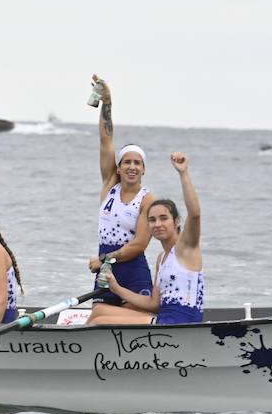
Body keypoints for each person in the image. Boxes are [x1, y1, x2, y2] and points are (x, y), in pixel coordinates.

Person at [89, 153, 203, 325]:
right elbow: (153, 304)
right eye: (152, 220)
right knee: (99, 312)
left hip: (180, 324)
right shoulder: (161, 259)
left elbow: (194, 214)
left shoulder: (186, 248)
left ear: (177, 221)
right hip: (162, 319)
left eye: (164, 218)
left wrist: (183, 173)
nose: (157, 224)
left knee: (99, 322)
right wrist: (116, 288)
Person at [86, 76, 155, 306]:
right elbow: (106, 140)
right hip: (105, 273)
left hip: (133, 274)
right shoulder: (110, 186)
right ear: (119, 167)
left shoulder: (147, 199)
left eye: (137, 163)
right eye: (127, 162)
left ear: (143, 169)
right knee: (98, 323)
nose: (132, 167)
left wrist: (103, 259)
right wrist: (107, 103)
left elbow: (139, 245)